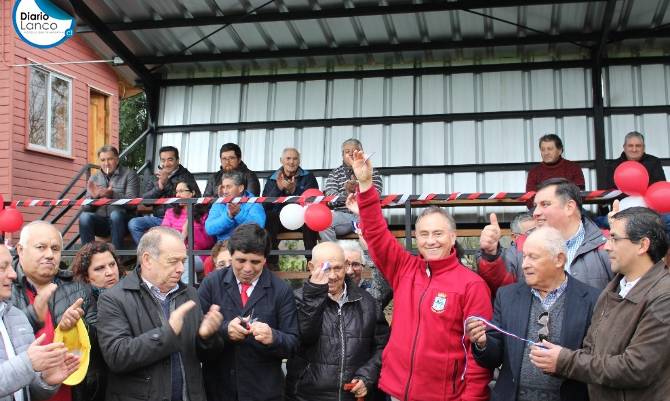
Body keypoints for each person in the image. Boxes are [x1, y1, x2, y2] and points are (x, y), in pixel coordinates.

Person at [350, 149, 493, 401]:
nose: (431, 241)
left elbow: (479, 356)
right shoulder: (404, 268)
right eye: (424, 234)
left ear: (453, 237)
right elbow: (376, 233)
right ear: (416, 238)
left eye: (438, 233)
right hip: (395, 392)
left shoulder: (472, 285)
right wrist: (365, 184)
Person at [529, 207, 670, 401]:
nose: (607, 247)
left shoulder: (664, 296)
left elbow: (636, 368)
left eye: (614, 239)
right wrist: (555, 359)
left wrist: (565, 361)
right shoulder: (612, 290)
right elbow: (591, 351)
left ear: (642, 245)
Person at [467, 227, 599, 401]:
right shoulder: (507, 296)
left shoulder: (592, 299)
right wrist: (483, 343)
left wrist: (563, 361)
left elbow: (596, 360)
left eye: (533, 257)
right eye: (524, 256)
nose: (524, 264)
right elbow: (493, 358)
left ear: (559, 259)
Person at [96, 226, 224, 401]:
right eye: (173, 261)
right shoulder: (113, 299)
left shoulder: (190, 294)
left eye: (183, 261)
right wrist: (168, 333)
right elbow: (118, 357)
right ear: (147, 260)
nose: (181, 269)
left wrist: (206, 337)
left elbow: (204, 357)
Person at [198, 224, 299, 401]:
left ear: (265, 259)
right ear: (231, 255)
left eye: (255, 262)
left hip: (263, 391)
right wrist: (223, 330)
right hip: (218, 389)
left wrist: (273, 337)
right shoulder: (212, 283)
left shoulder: (281, 290)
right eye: (241, 260)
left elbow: (293, 344)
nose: (247, 268)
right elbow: (196, 335)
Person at [285, 242, 390, 401]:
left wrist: (367, 377)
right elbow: (304, 337)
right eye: (326, 268)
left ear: (346, 266)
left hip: (354, 395)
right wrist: (314, 296)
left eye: (338, 268)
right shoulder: (296, 299)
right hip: (308, 395)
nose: (332, 275)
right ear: (311, 267)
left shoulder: (367, 302)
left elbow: (383, 347)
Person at [10, 221, 97, 401]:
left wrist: (76, 327)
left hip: (71, 393)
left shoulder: (78, 290)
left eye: (55, 248)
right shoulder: (6, 290)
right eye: (41, 247)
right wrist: (33, 314)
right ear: (20, 249)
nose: (49, 255)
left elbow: (98, 347)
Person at [479, 178, 613, 295]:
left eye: (545, 204)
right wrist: (491, 255)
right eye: (535, 206)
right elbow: (501, 286)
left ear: (569, 207)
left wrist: (623, 239)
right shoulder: (522, 244)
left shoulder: (606, 243)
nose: (535, 213)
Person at [1, 244, 81, 401]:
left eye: (10, 266)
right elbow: (25, 366)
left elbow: (29, 392)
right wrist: (27, 363)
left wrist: (47, 381)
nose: (12, 274)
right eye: (2, 268)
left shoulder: (16, 316)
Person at [70, 242, 121, 401]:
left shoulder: (130, 294)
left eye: (112, 265)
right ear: (86, 276)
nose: (110, 272)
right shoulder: (78, 302)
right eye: (99, 268)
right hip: (95, 385)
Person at [128, 146, 201, 244]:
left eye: (170, 160)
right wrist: (160, 187)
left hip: (178, 219)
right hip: (158, 219)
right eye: (163, 160)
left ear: (177, 161)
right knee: (134, 224)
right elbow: (145, 201)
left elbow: (197, 197)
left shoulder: (186, 175)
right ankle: (149, 253)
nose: (166, 164)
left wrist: (166, 183)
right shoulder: (155, 177)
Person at [262, 148, 320, 269]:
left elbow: (313, 201)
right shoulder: (273, 178)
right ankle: (272, 263)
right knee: (268, 217)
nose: (291, 162)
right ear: (281, 160)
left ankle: (312, 263)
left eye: (295, 158)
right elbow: (265, 204)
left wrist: (295, 191)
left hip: (301, 219)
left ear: (299, 161)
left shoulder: (309, 177)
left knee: (311, 219)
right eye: (288, 158)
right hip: (280, 220)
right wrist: (278, 188)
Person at [321, 138, 382, 242]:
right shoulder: (335, 173)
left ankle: (369, 258)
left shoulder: (371, 171)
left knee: (374, 222)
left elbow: (377, 194)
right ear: (342, 155)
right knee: (323, 221)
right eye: (346, 152)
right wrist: (347, 192)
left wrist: (359, 189)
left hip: (365, 214)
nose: (350, 154)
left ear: (360, 153)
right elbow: (330, 199)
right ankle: (333, 255)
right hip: (343, 216)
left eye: (353, 151)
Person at [79, 145, 139, 250]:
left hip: (123, 222)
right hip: (102, 222)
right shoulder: (94, 178)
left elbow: (132, 204)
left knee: (115, 215)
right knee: (84, 217)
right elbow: (85, 208)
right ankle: (87, 257)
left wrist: (112, 195)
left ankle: (117, 258)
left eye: (110, 159)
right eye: (103, 160)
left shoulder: (129, 174)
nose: (106, 163)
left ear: (117, 159)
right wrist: (94, 197)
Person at [161, 181, 215, 283]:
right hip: (173, 253)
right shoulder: (170, 213)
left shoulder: (203, 213)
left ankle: (190, 294)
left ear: (192, 193)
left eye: (181, 191)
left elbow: (208, 242)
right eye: (176, 192)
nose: (178, 195)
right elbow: (164, 237)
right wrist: (184, 234)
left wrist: (192, 230)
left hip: (198, 255)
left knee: (185, 260)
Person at [205, 171, 266, 242]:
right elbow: (209, 229)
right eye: (223, 187)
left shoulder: (253, 202)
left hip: (248, 245)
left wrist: (239, 213)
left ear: (240, 188)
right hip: (224, 246)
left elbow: (259, 226)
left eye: (228, 187)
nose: (225, 191)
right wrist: (228, 216)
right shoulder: (219, 203)